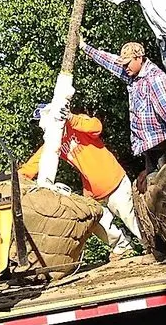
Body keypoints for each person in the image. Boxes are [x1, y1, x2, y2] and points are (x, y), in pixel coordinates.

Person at [19, 103, 142, 255]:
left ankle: (155, 247)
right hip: (92, 191)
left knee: (133, 220)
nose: (40, 125)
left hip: (113, 181)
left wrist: (70, 118)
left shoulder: (77, 123)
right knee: (92, 218)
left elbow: (96, 126)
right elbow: (34, 164)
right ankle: (122, 247)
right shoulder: (53, 142)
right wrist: (16, 179)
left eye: (41, 120)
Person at [79, 38, 166, 176]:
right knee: (154, 184)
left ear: (139, 58)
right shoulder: (133, 75)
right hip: (149, 145)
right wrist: (84, 47)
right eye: (124, 64)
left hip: (163, 143)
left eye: (128, 64)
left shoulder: (153, 77)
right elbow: (109, 61)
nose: (125, 68)